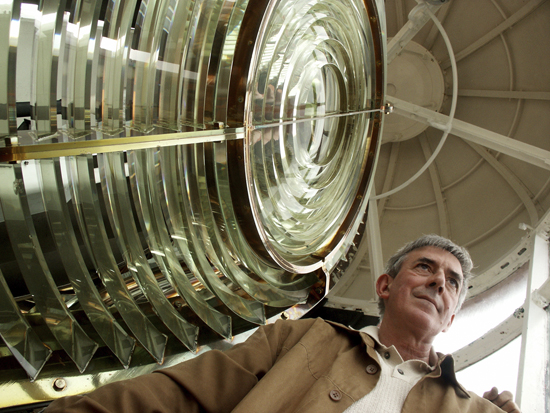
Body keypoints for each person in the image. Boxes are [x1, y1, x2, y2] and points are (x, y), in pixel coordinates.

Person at [45, 235, 521, 412]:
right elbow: (186, 391)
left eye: (453, 282)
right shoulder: (304, 338)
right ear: (384, 286)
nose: (439, 282)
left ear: (453, 313)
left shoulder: (472, 409)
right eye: (424, 267)